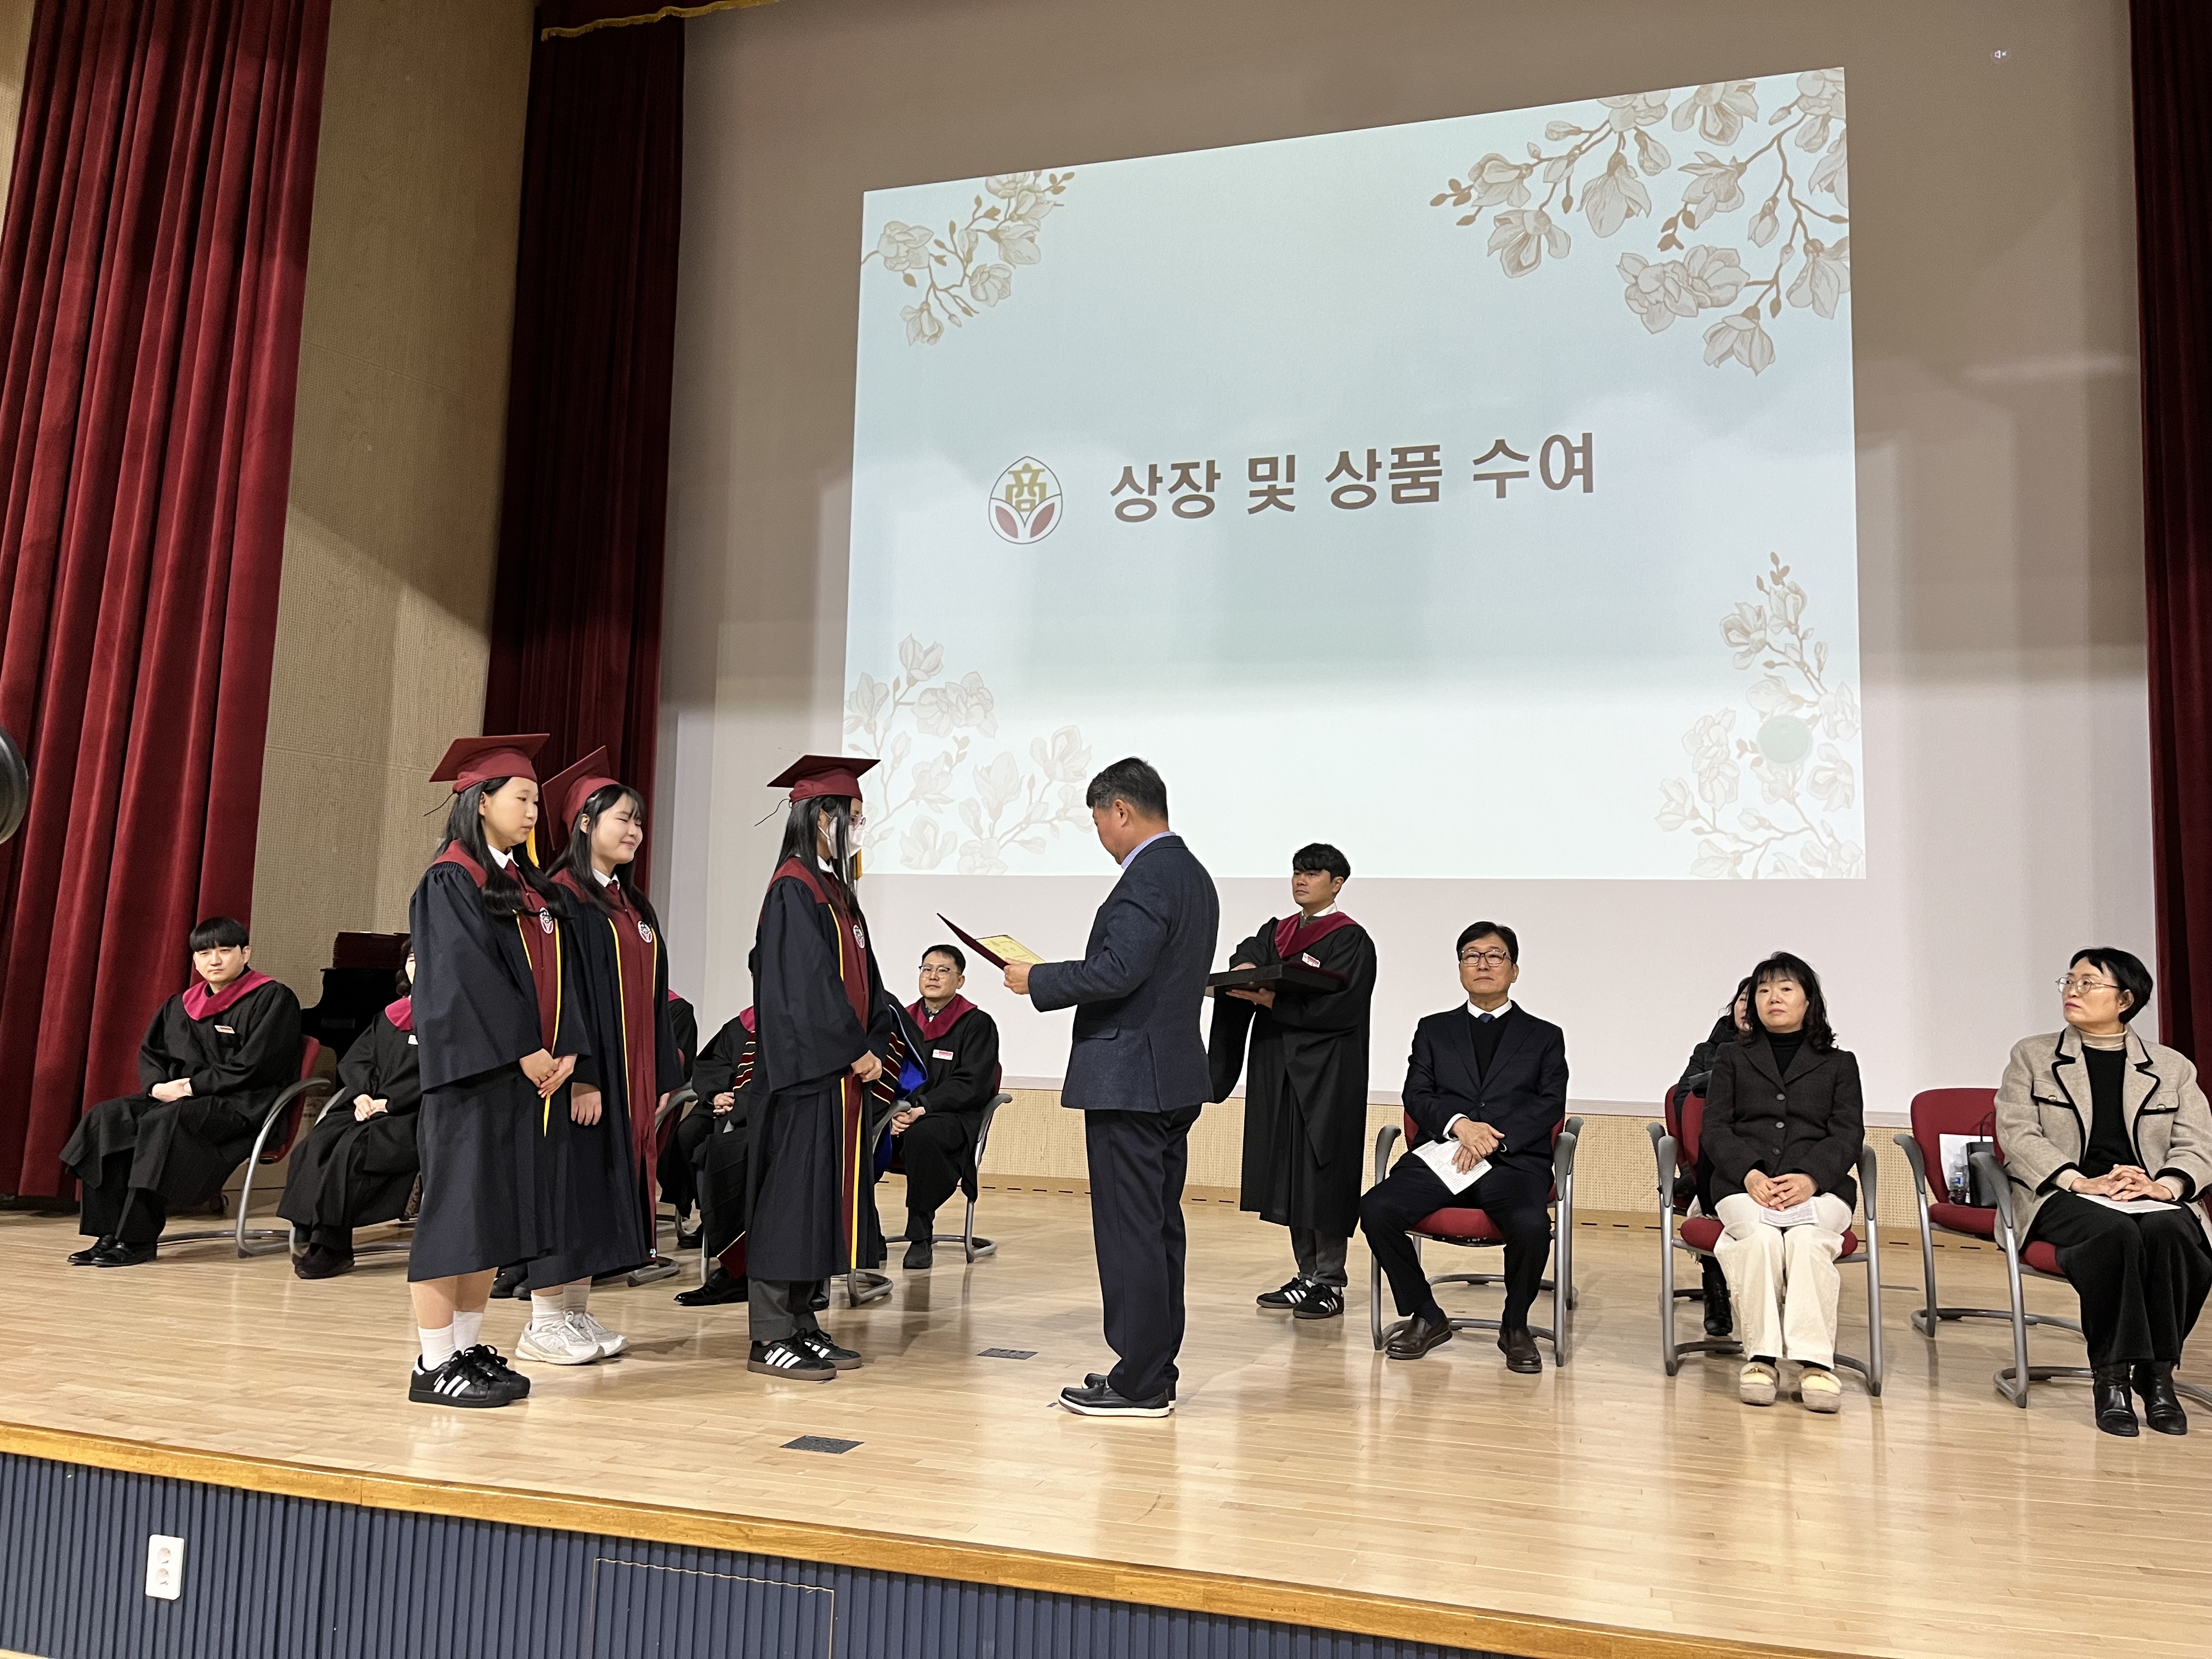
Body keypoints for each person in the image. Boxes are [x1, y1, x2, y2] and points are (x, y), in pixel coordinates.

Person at [1006, 757, 1219, 1418]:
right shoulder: (1192, 874)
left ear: (1121, 810)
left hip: (1130, 1079)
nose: (1100, 835)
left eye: (1099, 821)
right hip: (1170, 1074)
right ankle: (1153, 1367)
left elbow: (1119, 970)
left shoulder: (1147, 876)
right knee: (1157, 1228)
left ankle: (1139, 1382)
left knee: (1131, 1232)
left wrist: (1037, 979)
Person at [404, 733, 587, 1409]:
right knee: (455, 1220)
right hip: (473, 1076)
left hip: (521, 1076)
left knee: (490, 1222)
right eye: (522, 798)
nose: (534, 811)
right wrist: (524, 1048)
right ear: (481, 802)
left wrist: (568, 1047)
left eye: (537, 800)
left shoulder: (525, 885)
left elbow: (563, 976)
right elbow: (466, 978)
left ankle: (466, 1349)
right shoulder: (452, 878)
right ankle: (433, 1363)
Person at [1994, 947, 2212, 1436]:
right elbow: (2018, 1133)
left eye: (2088, 983)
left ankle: (2157, 1375)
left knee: (2175, 1234)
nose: (2072, 991)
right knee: (2116, 1235)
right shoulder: (2032, 1056)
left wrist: (2164, 1186)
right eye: (2069, 981)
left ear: (2125, 1000)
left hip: (2149, 1193)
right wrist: (2079, 1180)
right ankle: (2111, 1379)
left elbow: (2199, 1143)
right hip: (2062, 1193)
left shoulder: (2172, 1067)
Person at [518, 751, 686, 1365]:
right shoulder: (561, 899)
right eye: (623, 818)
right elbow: (561, 998)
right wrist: (583, 1077)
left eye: (639, 821)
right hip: (586, 1077)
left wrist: (663, 1073)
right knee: (570, 1190)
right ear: (585, 823)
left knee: (601, 1195)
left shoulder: (632, 906)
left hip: (631, 1079)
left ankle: (576, 1313)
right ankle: (543, 1322)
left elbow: (656, 996)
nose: (635, 830)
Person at [746, 754, 901, 1382]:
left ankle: (803, 1323)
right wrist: (850, 1048)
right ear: (821, 817)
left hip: (841, 1080)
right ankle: (770, 1336)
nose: (859, 829)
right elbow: (802, 987)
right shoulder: (794, 888)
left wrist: (878, 1039)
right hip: (806, 1079)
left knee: (819, 1207)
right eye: (853, 817)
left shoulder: (836, 891)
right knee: (790, 1204)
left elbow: (870, 985)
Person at [1359, 922, 1567, 1373]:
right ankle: (1426, 1315)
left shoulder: (1544, 1035)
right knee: (1376, 1208)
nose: (1483, 964)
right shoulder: (1434, 1030)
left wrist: (1490, 1138)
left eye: (1495, 955)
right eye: (1472, 955)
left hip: (1512, 1162)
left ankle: (1515, 1325)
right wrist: (1461, 1127)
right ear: (1460, 968)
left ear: (1514, 970)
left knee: (1532, 1225)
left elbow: (1549, 1104)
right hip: (1444, 1156)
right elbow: (1417, 1094)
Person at [61, 917, 303, 1267]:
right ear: (195, 960)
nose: (214, 960)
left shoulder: (273, 999)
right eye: (204, 953)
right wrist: (158, 1087)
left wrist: (192, 1086)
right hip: (182, 1101)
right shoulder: (181, 1005)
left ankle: (137, 1240)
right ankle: (109, 1234)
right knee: (108, 1118)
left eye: (225, 951)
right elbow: (152, 1054)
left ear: (245, 953)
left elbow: (257, 1065)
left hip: (243, 1107)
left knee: (163, 1124)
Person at [1209, 842, 1376, 1322]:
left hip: (1327, 1071)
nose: (1301, 880)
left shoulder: (1350, 939)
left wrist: (1273, 1003)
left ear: (1337, 884)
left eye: (1313, 873)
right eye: (1298, 871)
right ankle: (1306, 1275)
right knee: (1289, 1172)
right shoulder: (1278, 931)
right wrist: (1244, 967)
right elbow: (1250, 951)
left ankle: (1331, 1281)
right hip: (1277, 1065)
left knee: (1323, 1172)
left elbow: (1344, 1007)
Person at [1700, 952, 1863, 1415]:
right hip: (1743, 1186)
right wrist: (1750, 1173)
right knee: (1760, 1240)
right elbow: (1715, 1128)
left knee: (1808, 1241)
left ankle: (1815, 1363)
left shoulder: (1839, 1063)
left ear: (1809, 1001)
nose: (1774, 997)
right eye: (1764, 989)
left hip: (1821, 1188)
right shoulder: (1733, 1057)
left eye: (1786, 988)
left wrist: (1811, 1178)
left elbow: (1848, 1134)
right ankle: (1762, 1358)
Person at [279, 948, 423, 1279]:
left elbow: (446, 1073)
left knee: (354, 1150)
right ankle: (310, 1227)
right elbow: (360, 1060)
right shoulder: (390, 1016)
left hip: (418, 1114)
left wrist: (392, 1103)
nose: (419, 966)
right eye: (413, 959)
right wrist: (361, 1095)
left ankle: (333, 1245)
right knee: (319, 1141)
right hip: (371, 1107)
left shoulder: (456, 1017)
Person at [892, 944, 1002, 1269]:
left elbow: (973, 1083)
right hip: (900, 1114)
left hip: (953, 1118)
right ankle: (863, 1234)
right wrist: (893, 1112)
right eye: (927, 969)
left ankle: (920, 1234)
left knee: (924, 1136)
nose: (933, 976)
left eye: (943, 970)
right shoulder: (899, 1022)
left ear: (960, 980)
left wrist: (922, 1108)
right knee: (855, 1134)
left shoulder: (977, 1024)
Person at [1671, 977, 1753, 1339]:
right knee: (1714, 1187)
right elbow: (1683, 1099)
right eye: (1742, 999)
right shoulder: (1709, 1050)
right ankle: (1716, 1291)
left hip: (1763, 1159)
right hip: (1711, 1153)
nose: (1746, 1007)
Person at [672, 1006, 757, 1308]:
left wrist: (740, 1104)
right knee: (689, 1134)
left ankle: (726, 1239)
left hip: (756, 1113)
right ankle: (710, 1217)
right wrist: (717, 1094)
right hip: (723, 1102)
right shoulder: (740, 1025)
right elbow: (711, 1065)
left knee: (721, 1150)